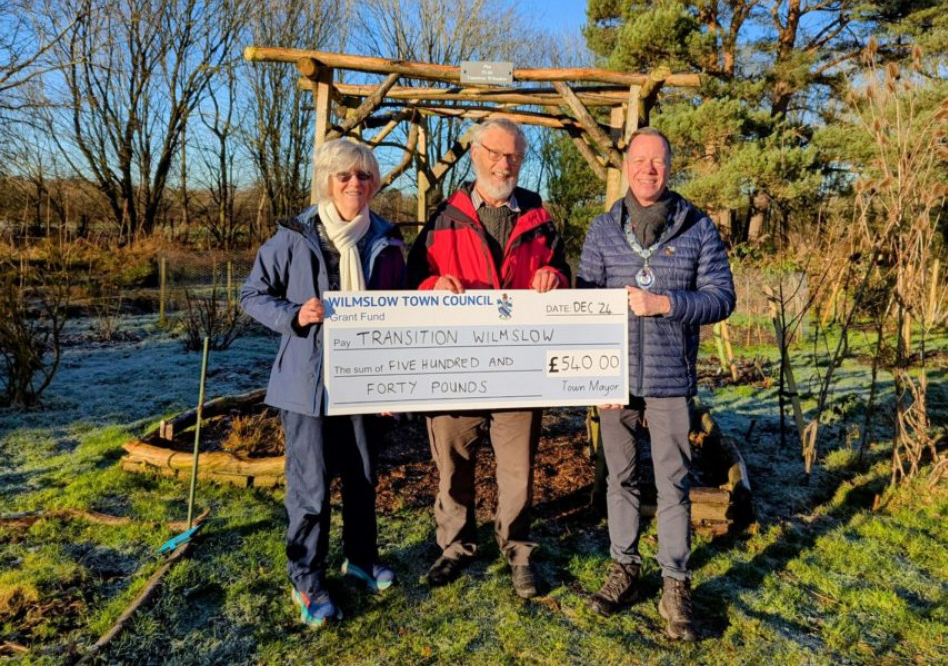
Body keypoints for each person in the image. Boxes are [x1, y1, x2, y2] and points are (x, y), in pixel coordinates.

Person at [576, 127, 735, 640]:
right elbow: (582, 303)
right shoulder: (603, 231)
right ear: (626, 168)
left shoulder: (698, 228)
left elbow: (721, 298)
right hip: (613, 378)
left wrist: (666, 304)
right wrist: (590, 372)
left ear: (670, 168)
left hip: (670, 377)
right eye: (640, 160)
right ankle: (624, 566)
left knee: (673, 482)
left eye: (658, 162)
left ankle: (675, 581)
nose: (648, 169)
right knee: (617, 477)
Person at [241, 139, 406, 627]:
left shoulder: (387, 237)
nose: (356, 184)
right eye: (345, 177)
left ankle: (360, 558)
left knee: (362, 479)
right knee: (310, 489)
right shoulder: (294, 235)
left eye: (364, 176)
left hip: (366, 380)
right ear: (328, 182)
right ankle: (307, 580)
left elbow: (404, 313)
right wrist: (294, 315)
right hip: (306, 384)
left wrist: (397, 383)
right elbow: (251, 294)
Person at [407, 117, 571, 599]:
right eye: (497, 153)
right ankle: (454, 545)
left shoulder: (541, 220)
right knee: (452, 464)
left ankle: (518, 549)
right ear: (475, 154)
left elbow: (564, 275)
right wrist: (431, 285)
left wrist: (555, 279)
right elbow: (411, 282)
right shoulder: (442, 219)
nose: (505, 164)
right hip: (454, 369)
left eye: (515, 156)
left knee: (517, 467)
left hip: (521, 371)